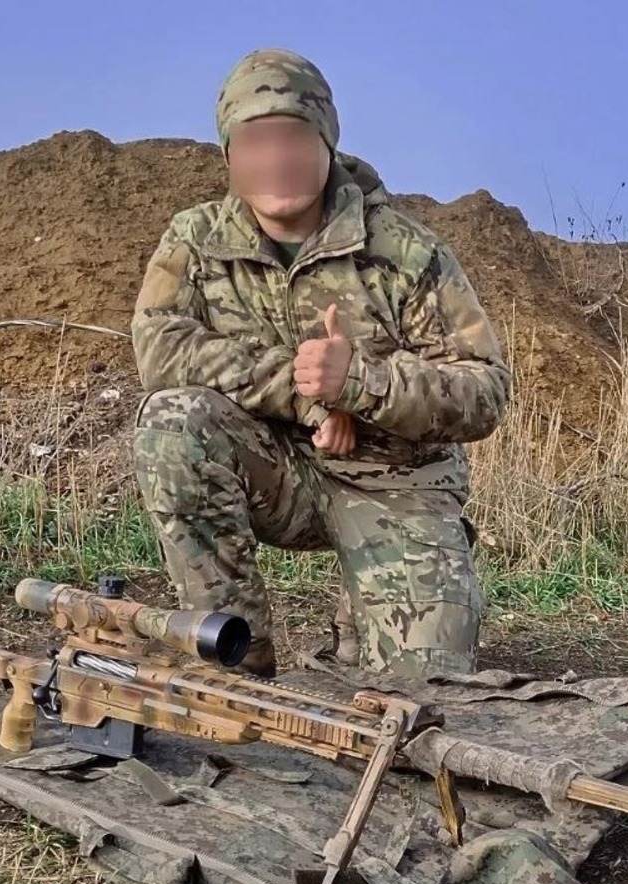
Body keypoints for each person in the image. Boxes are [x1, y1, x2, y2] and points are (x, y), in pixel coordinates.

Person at [131, 48, 510, 679]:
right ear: (229, 154)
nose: (275, 158)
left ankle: (365, 616)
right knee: (173, 423)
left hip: (396, 487)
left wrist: (361, 383)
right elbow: (160, 348)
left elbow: (485, 390)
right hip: (280, 475)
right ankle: (233, 661)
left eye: (294, 137)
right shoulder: (195, 241)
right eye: (255, 140)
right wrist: (307, 394)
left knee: (422, 699)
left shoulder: (407, 253)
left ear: (327, 143)